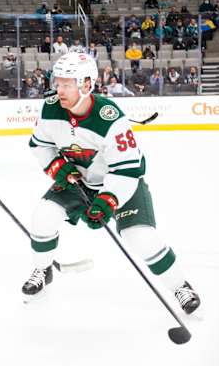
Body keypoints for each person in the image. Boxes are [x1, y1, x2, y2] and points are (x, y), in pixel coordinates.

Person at [21, 52, 201, 316]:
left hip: (120, 183)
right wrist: (55, 166)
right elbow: (41, 145)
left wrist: (108, 200)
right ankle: (42, 268)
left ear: (86, 84)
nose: (59, 89)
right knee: (43, 216)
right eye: (58, 83)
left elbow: (127, 169)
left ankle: (180, 286)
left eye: (67, 84)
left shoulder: (110, 118)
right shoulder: (51, 108)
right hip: (78, 180)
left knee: (140, 237)